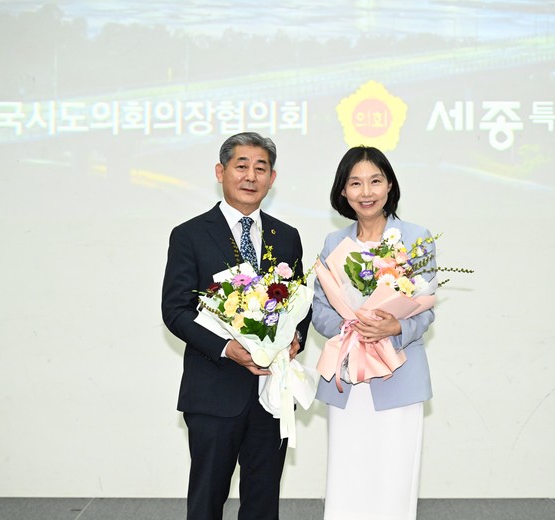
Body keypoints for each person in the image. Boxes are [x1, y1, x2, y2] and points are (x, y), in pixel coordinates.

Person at [161, 132, 310, 520]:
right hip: (214, 390)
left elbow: (299, 303)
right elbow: (176, 310)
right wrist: (228, 348)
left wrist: (295, 338)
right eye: (241, 166)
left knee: (263, 502)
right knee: (207, 500)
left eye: (261, 168)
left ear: (272, 178)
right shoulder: (190, 234)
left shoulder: (286, 236)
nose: (250, 176)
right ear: (220, 172)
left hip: (271, 392)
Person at [312, 146, 437, 520]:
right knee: (348, 472)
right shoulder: (334, 244)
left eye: (375, 181)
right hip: (348, 375)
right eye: (355, 183)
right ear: (343, 191)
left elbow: (425, 307)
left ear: (389, 186)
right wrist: (354, 328)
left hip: (399, 374)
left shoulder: (416, 237)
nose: (366, 192)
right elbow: (320, 309)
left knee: (394, 476)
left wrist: (394, 326)